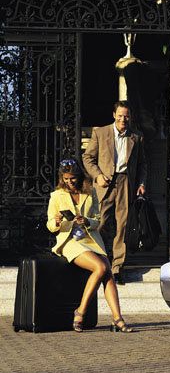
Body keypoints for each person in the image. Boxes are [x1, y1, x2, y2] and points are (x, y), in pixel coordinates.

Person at [47, 158, 133, 332]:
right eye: (66, 179)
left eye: (72, 178)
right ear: (61, 178)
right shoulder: (56, 196)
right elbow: (50, 225)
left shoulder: (90, 192)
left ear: (79, 177)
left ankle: (117, 318)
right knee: (100, 268)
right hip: (70, 241)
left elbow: (98, 219)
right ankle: (80, 312)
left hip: (90, 239)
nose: (69, 182)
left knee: (108, 273)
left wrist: (87, 221)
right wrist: (56, 221)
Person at [82, 100, 147, 285]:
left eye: (126, 116)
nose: (123, 119)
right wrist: (97, 176)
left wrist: (141, 183)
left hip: (126, 182)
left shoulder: (137, 137)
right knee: (98, 223)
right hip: (104, 184)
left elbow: (143, 164)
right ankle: (97, 263)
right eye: (120, 116)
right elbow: (87, 158)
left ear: (130, 117)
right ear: (114, 115)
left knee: (123, 226)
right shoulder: (100, 133)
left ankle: (118, 268)